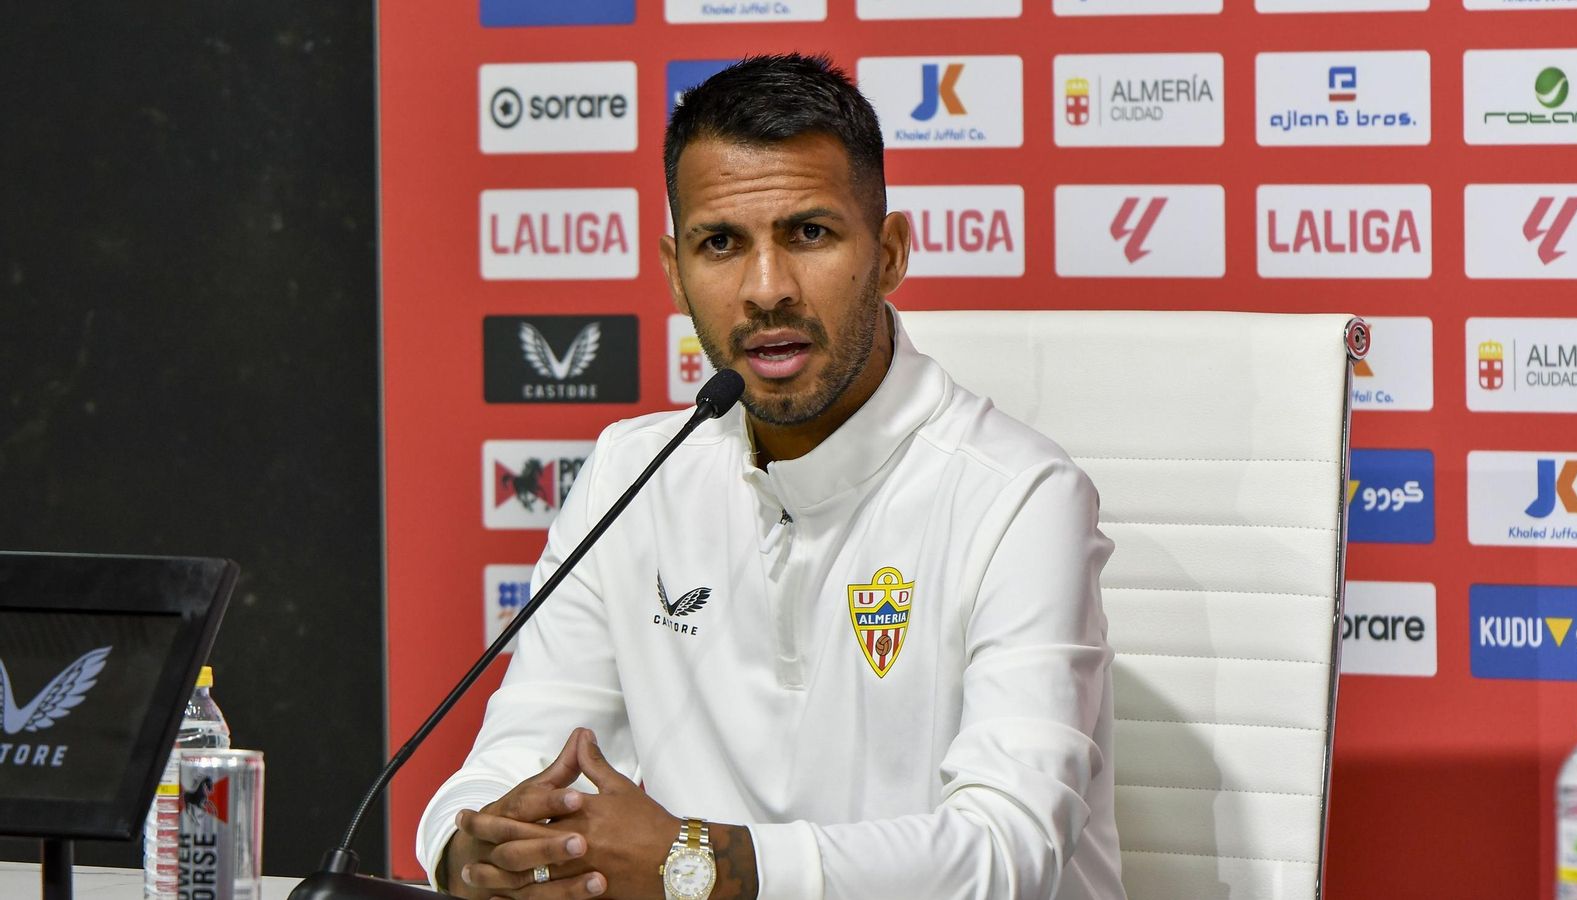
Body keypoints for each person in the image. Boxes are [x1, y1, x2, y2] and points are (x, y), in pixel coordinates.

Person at [418, 54, 1123, 900]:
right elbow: (512, 759)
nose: (766, 290)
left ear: (891, 252)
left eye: (809, 234)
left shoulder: (1018, 496)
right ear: (675, 272)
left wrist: (702, 864)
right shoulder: (631, 474)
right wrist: (473, 857)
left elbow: (1007, 850)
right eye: (721, 244)